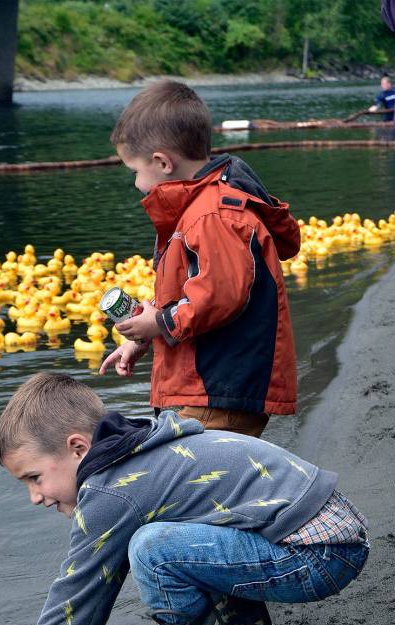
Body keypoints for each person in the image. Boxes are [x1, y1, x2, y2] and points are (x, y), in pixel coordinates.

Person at [0, 372, 368, 625]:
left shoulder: (108, 492)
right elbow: (98, 586)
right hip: (330, 539)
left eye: (34, 478)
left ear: (78, 448)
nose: (35, 497)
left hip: (316, 554)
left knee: (153, 549)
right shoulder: (141, 448)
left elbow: (76, 592)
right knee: (189, 541)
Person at [99, 80, 301, 439]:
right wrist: (145, 335)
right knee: (204, 482)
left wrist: (159, 324)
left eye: (135, 171)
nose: (136, 184)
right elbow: (195, 292)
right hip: (211, 389)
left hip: (219, 388)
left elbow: (218, 297)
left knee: (206, 484)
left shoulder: (212, 216)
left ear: (162, 161)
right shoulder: (198, 209)